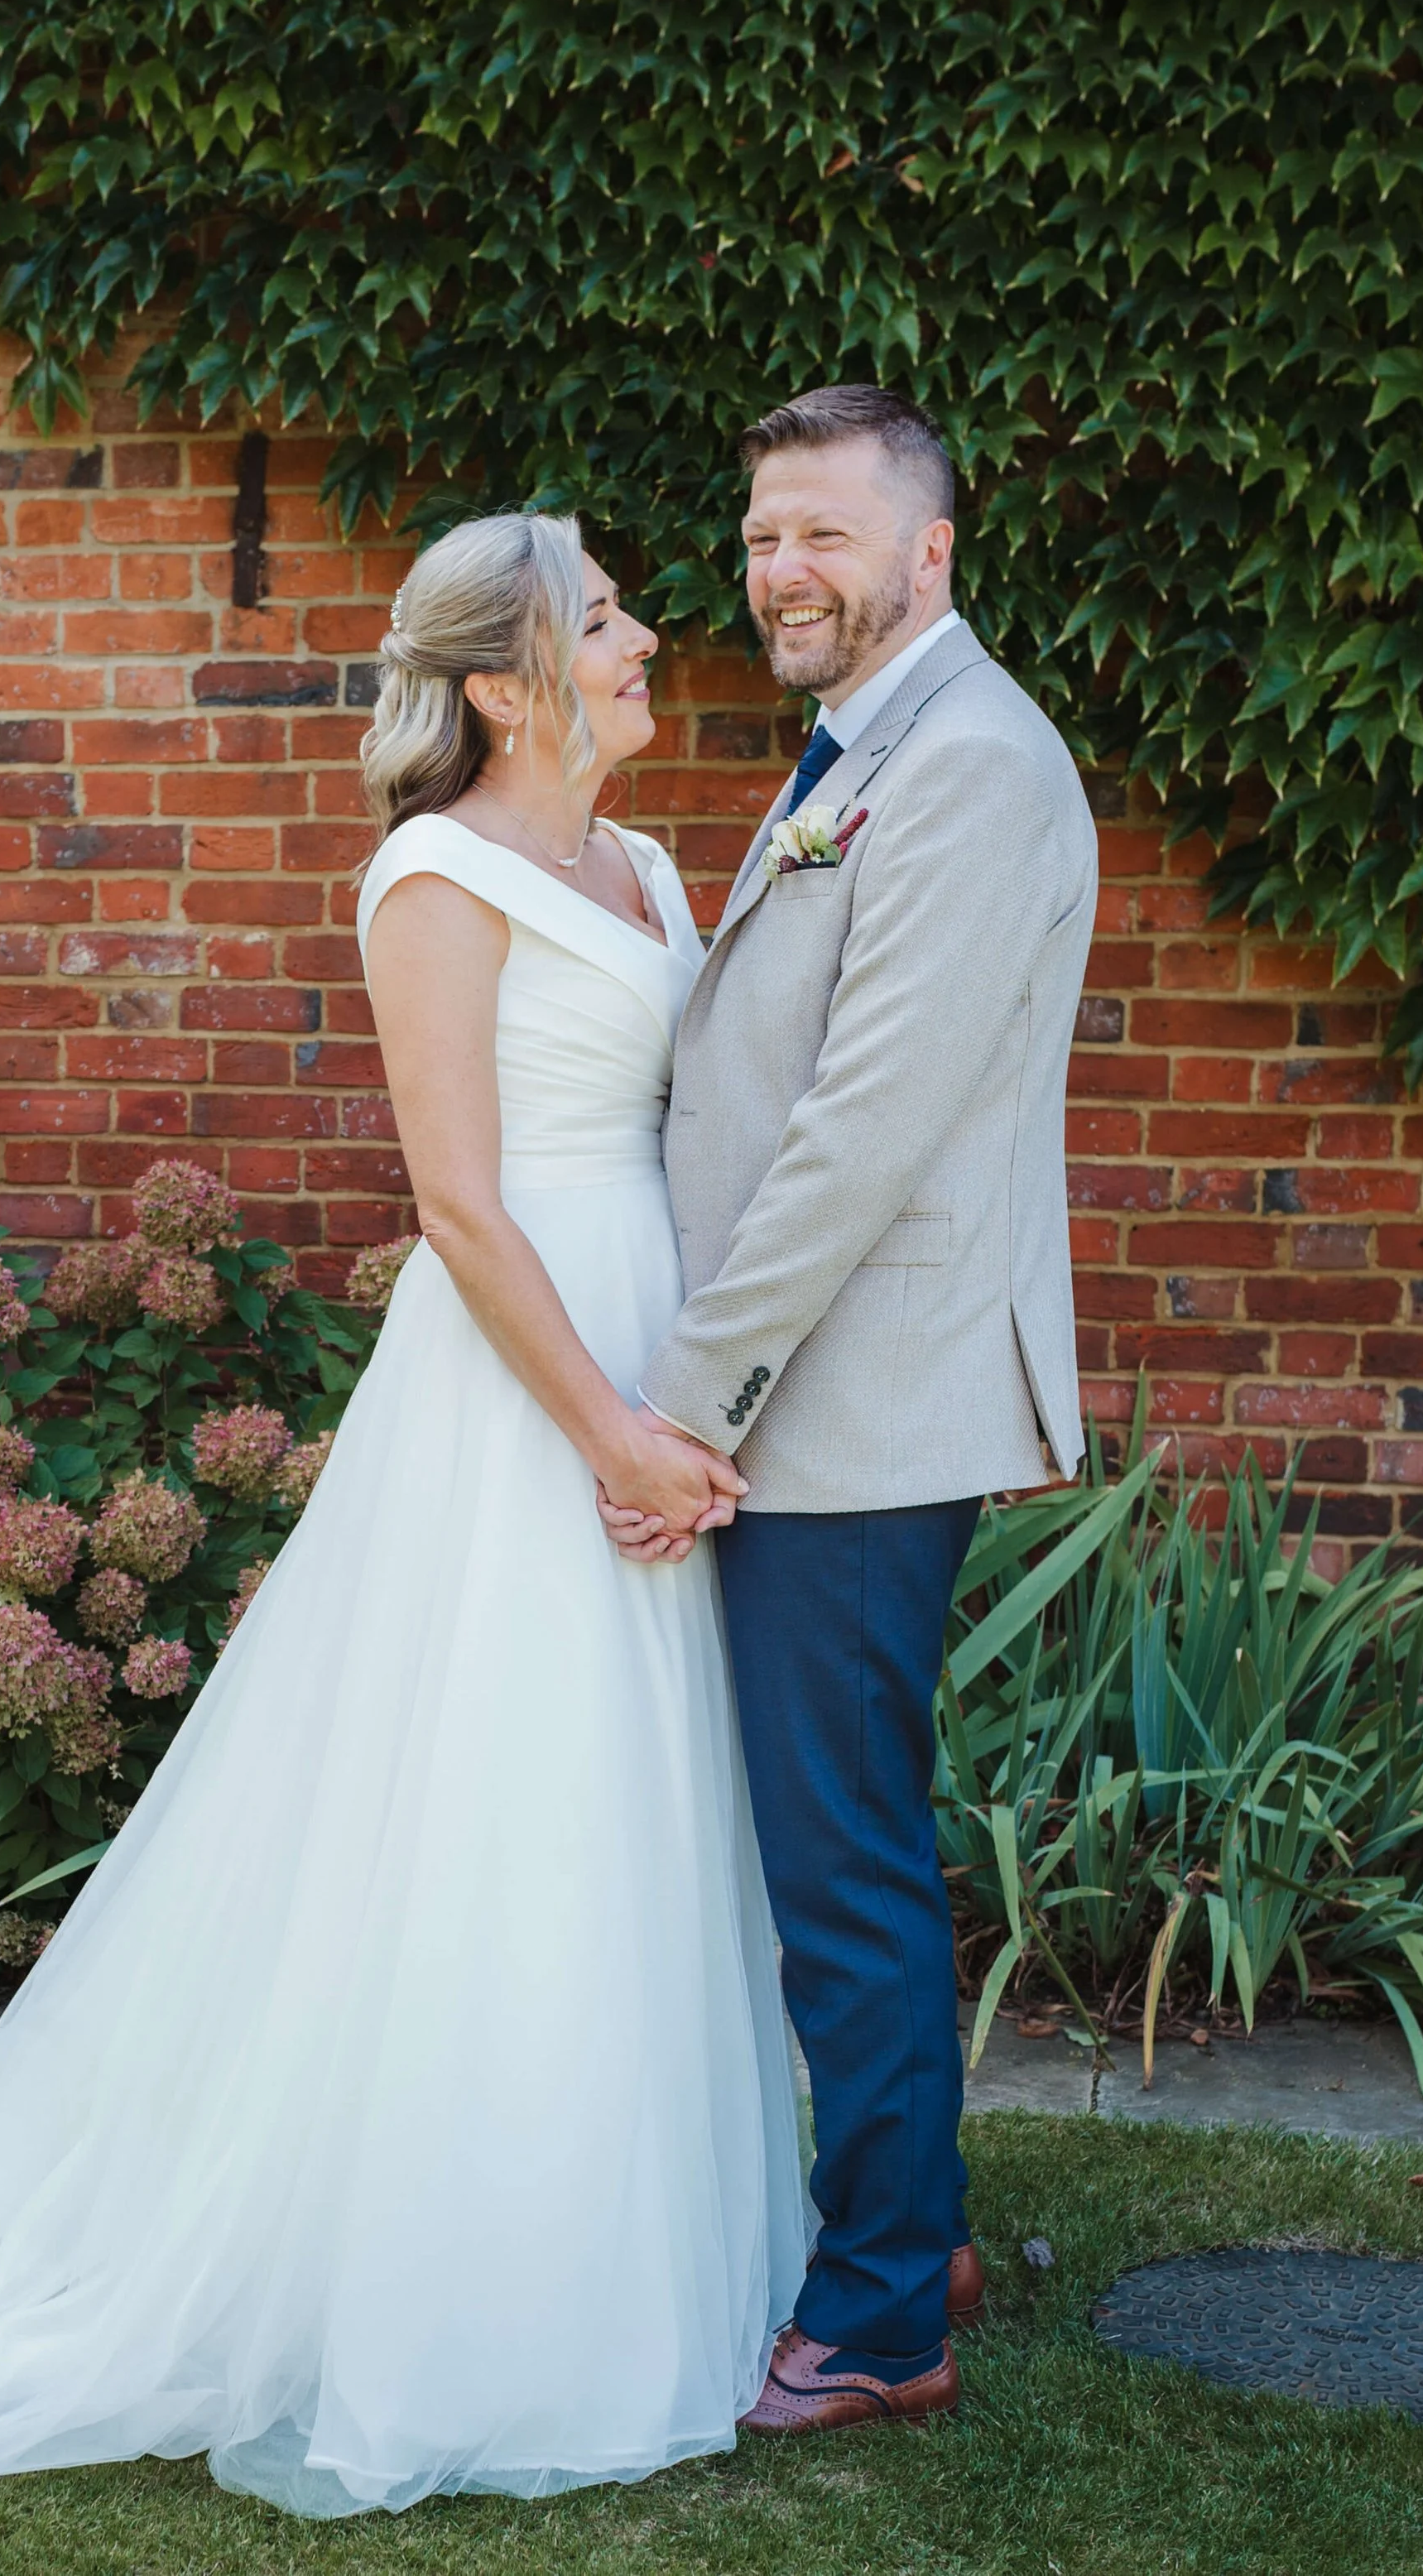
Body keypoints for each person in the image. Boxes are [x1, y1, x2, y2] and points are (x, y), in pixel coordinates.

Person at [0, 511, 808, 2518]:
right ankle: (436, 2271)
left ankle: (598, 2214)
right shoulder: (429, 878)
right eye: (601, 620)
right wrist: (602, 1425)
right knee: (486, 1789)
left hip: (646, 1348)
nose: (644, 637)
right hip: (521, 1383)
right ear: (506, 682)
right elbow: (457, 1205)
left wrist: (690, 1391)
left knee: (626, 1796)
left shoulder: (651, 866)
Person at [600, 384, 1097, 2433]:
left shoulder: (966, 764)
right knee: (853, 1836)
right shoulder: (866, 743)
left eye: (819, 533)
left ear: (927, 554)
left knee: (839, 1869)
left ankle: (882, 2313)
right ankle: (927, 2222)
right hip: (822, 1392)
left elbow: (857, 1134)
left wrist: (683, 1395)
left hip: (845, 1402)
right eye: (756, 536)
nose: (776, 571)